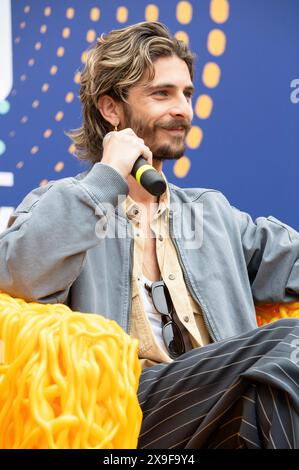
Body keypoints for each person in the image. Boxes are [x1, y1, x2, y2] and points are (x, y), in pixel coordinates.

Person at [0, 21, 299, 449]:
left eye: (187, 94)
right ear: (111, 109)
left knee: (268, 398)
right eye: (162, 94)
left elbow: (290, 259)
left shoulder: (211, 211)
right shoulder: (68, 201)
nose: (183, 109)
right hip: (129, 411)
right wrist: (105, 180)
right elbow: (17, 274)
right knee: (288, 344)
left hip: (223, 402)